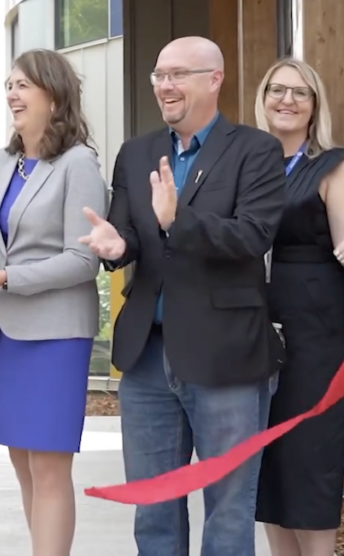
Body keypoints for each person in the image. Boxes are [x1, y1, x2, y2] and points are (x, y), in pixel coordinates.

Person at [79, 36, 286, 555]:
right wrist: (115, 244)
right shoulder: (138, 152)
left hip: (227, 356)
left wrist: (178, 221)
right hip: (148, 356)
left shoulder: (255, 150)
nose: (165, 86)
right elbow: (127, 234)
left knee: (229, 507)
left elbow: (254, 236)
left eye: (178, 75)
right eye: (158, 76)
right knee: (153, 509)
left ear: (214, 79)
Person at [0, 48, 108, 556]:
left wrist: (5, 277)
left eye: (23, 85)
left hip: (56, 335)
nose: (12, 95)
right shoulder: (1, 162)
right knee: (22, 462)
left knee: (49, 466)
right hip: (4, 333)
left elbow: (82, 261)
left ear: (54, 95)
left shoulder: (79, 163)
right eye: (9, 86)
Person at [250, 57, 344, 556]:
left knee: (308, 463)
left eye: (300, 93)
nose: (287, 100)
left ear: (315, 106)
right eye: (277, 90)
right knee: (269, 468)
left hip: (316, 341)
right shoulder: (245, 168)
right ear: (262, 101)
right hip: (254, 336)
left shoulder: (335, 166)